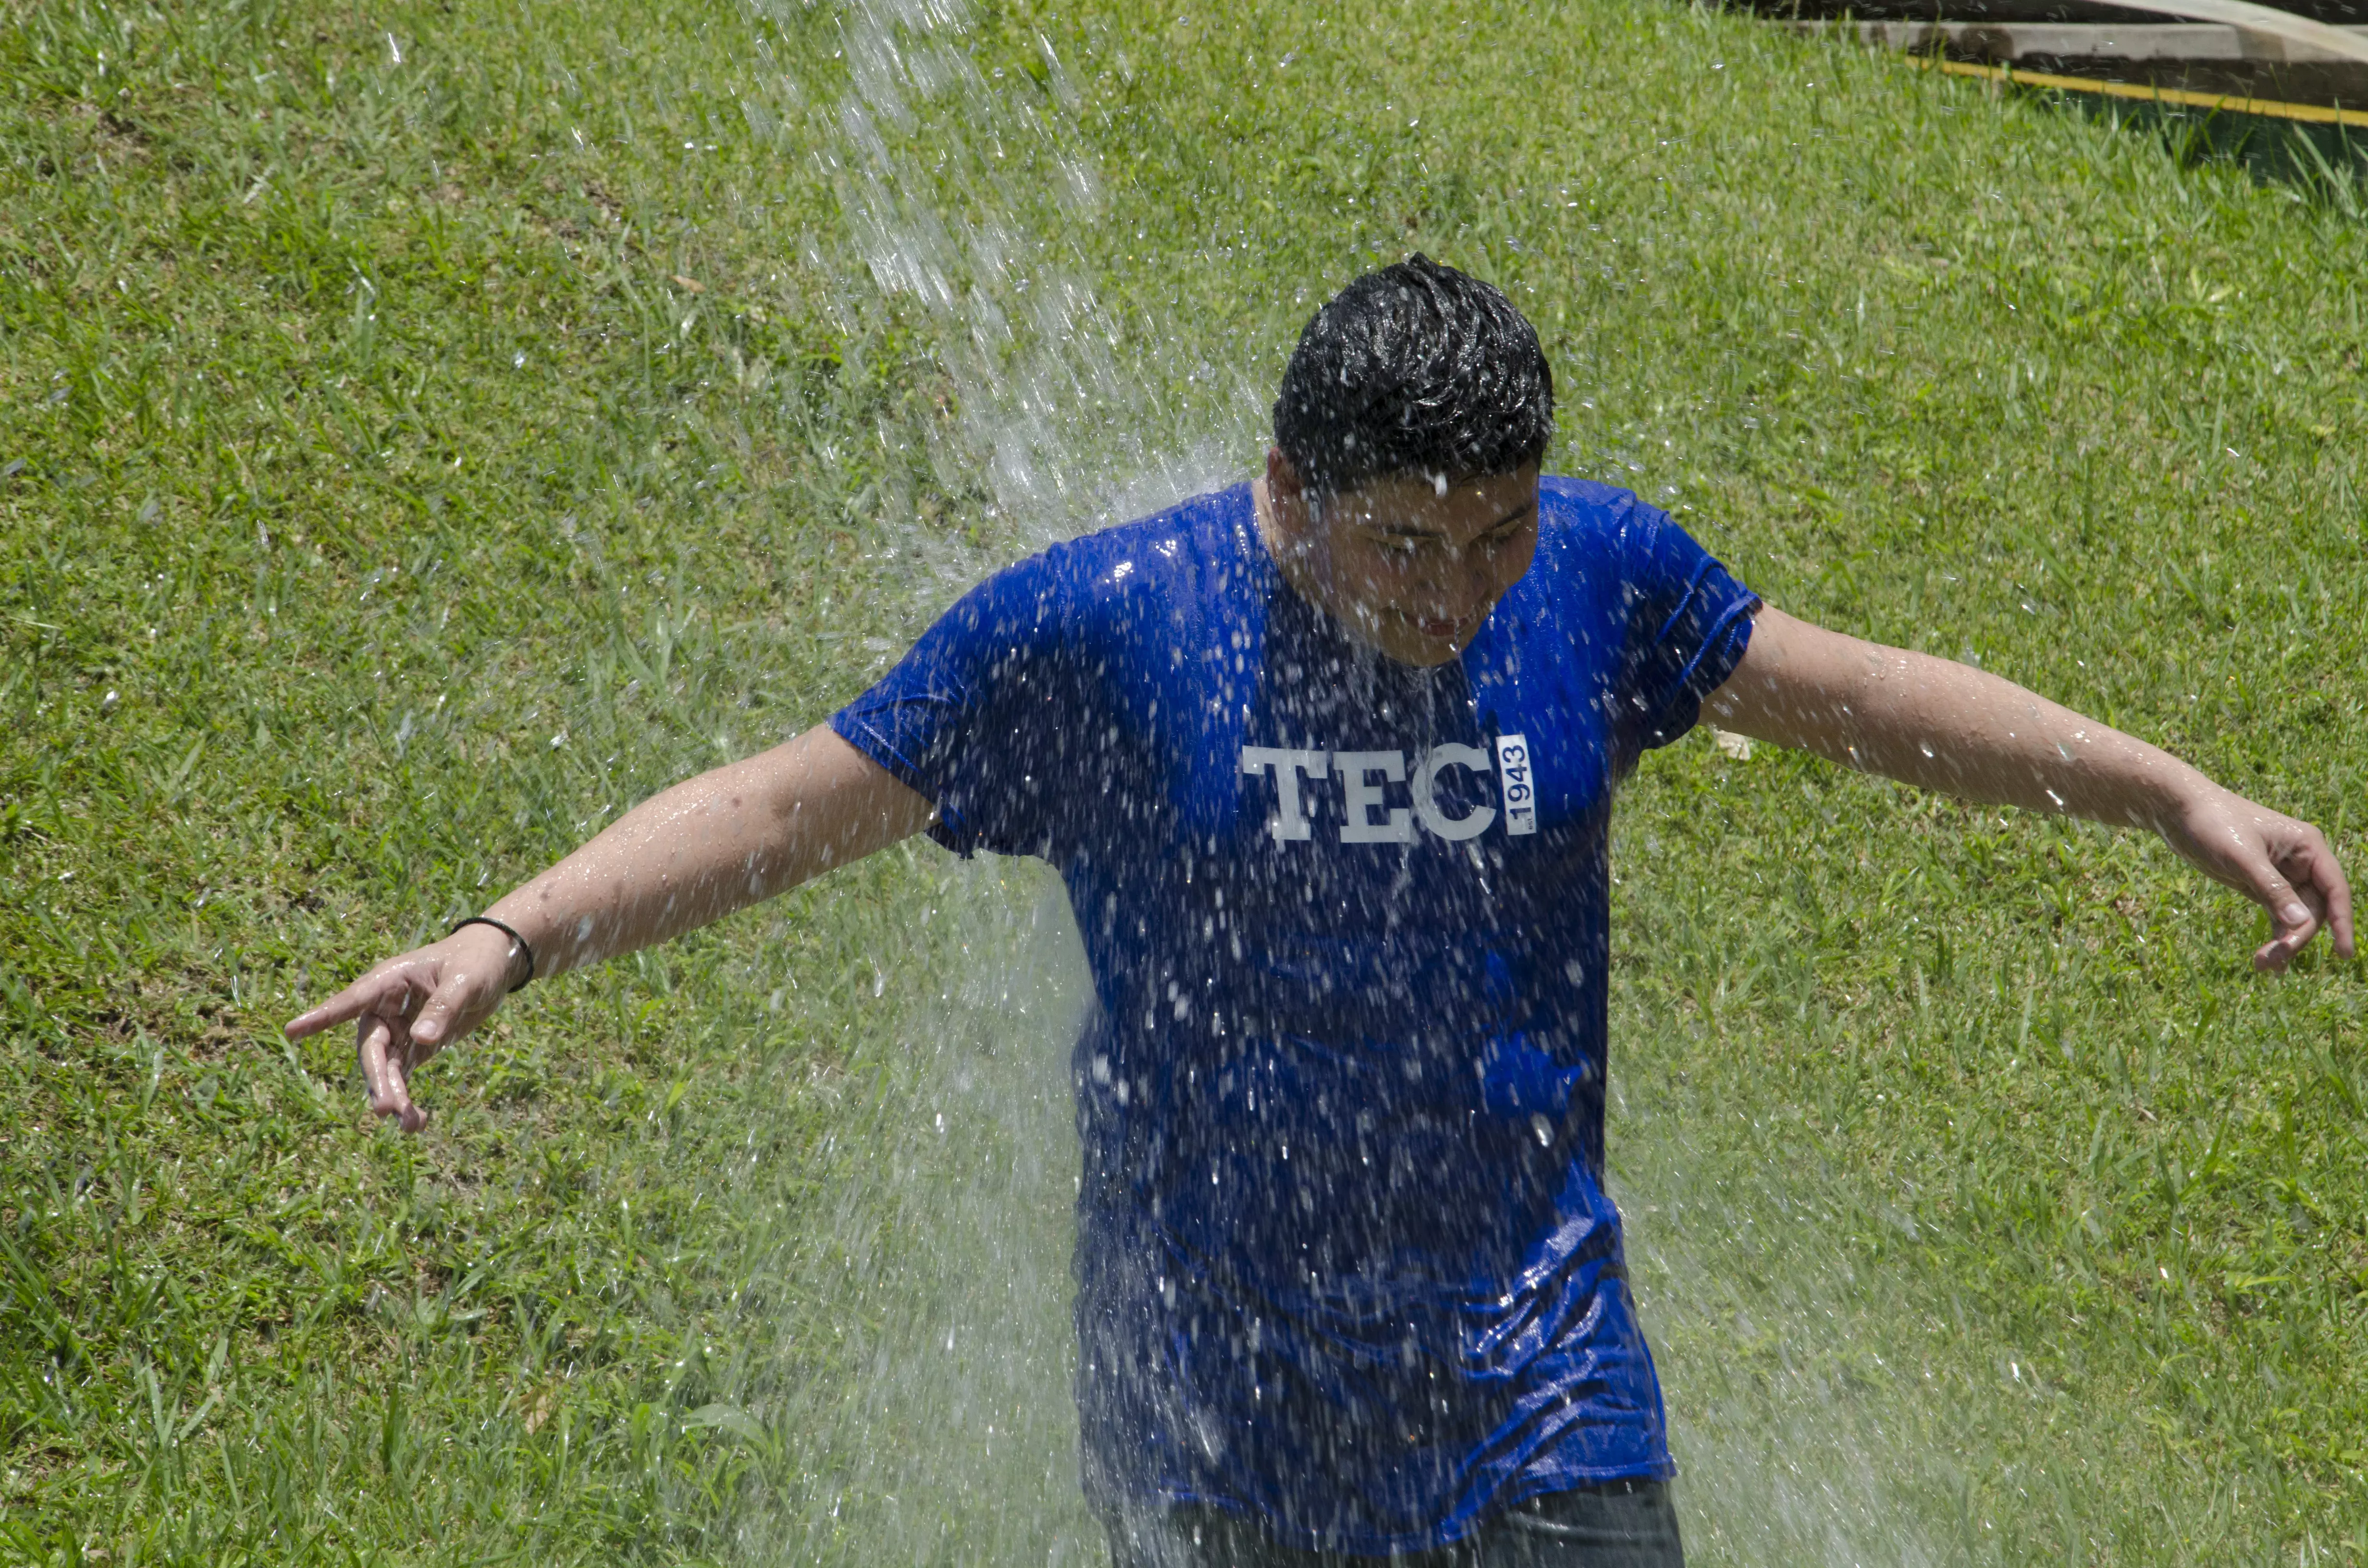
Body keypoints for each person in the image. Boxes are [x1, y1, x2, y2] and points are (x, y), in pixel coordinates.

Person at [285, 256, 2352, 1566]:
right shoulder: (1103, 631)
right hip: (1208, 1417)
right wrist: (511, 933)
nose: (1451, 592)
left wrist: (2163, 790)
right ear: (1282, 489)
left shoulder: (1600, 581)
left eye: (1491, 537)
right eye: (1398, 543)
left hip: (1538, 1375)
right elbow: (794, 799)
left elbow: (1858, 695)